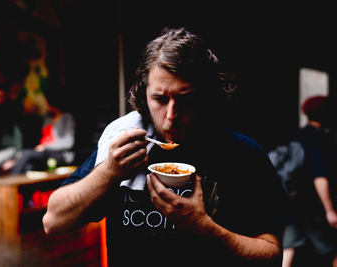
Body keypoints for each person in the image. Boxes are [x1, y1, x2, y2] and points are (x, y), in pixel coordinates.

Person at [42, 27, 290, 266]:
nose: (172, 115)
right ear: (143, 94)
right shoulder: (126, 144)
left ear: (207, 96)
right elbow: (54, 221)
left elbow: (272, 255)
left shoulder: (243, 155)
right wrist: (109, 172)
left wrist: (206, 229)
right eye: (160, 99)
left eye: (186, 99)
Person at [281, 95, 337, 267]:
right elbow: (319, 177)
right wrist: (330, 210)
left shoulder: (296, 135)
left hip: (290, 201)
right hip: (313, 207)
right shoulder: (322, 139)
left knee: (288, 249)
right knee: (333, 249)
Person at [9, 98, 76, 174]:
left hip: (60, 154)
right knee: (29, 166)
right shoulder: (48, 119)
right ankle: (21, 185)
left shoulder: (67, 118)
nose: (46, 106)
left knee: (26, 154)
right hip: (45, 152)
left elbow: (69, 143)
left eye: (47, 104)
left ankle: (11, 181)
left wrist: (45, 147)